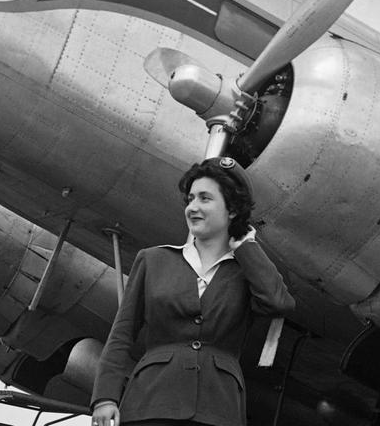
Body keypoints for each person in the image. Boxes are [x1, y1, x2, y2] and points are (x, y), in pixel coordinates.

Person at [91, 157, 295, 426]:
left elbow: (279, 303)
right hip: (150, 405)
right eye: (190, 199)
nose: (193, 207)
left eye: (205, 199)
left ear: (232, 209)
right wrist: (105, 398)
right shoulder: (153, 260)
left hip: (218, 410)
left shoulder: (248, 270)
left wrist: (247, 246)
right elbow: (121, 334)